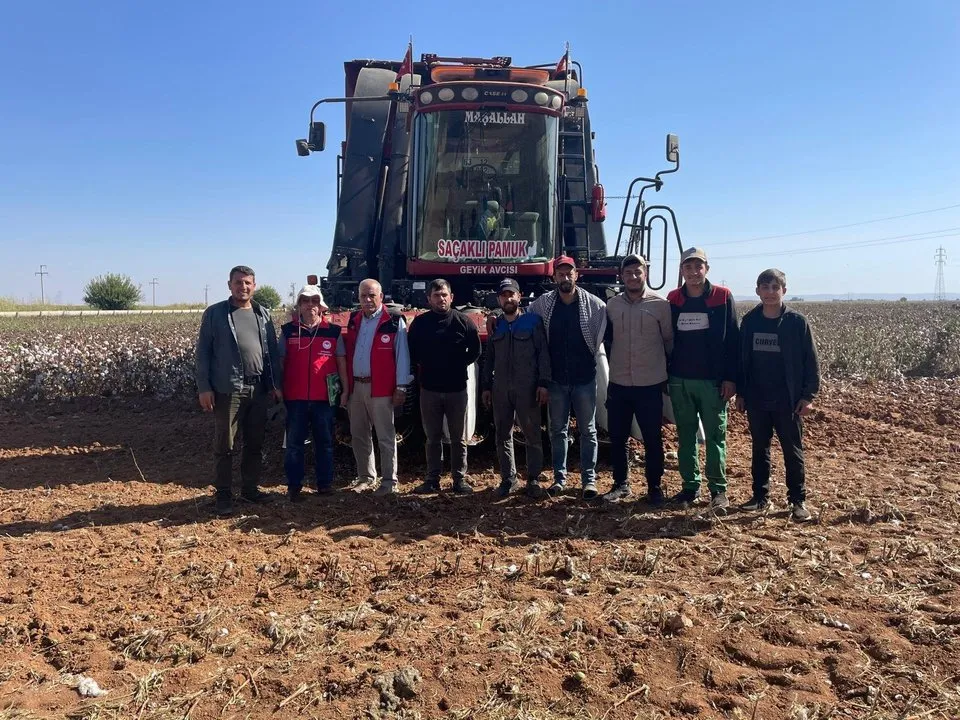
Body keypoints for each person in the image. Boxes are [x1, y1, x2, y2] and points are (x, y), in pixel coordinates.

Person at [194, 265, 281, 517]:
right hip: (228, 388)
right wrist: (204, 388)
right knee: (225, 445)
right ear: (229, 285)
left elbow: (271, 354)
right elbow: (203, 354)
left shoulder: (262, 314)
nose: (243, 287)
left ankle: (250, 490)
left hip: (258, 388)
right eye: (238, 282)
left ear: (254, 286)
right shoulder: (216, 314)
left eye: (248, 283)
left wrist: (275, 385)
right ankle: (223, 495)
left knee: (255, 442)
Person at [735, 269, 820, 522]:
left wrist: (808, 396)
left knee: (792, 451)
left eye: (775, 287)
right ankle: (759, 497)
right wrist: (741, 393)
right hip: (758, 399)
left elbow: (811, 362)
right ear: (757, 291)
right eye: (765, 287)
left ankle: (797, 500)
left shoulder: (797, 322)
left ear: (784, 290)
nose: (770, 292)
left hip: (789, 401)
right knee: (759, 449)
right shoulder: (750, 322)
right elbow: (742, 361)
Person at [666, 247, 739, 512]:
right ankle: (689, 486)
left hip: (712, 382)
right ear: (682, 270)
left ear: (706, 268)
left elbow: (733, 339)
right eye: (688, 267)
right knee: (685, 436)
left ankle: (718, 490)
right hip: (680, 380)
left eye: (699, 266)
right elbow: (668, 338)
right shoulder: (673, 298)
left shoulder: (722, 296)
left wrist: (731, 378)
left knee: (715, 437)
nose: (694, 272)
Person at [529, 256, 607, 499]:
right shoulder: (542, 305)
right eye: (560, 274)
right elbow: (524, 317)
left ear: (577, 275)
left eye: (569, 273)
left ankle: (589, 480)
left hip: (584, 378)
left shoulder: (595, 306)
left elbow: (603, 335)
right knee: (557, 430)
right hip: (557, 381)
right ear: (554, 277)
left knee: (588, 430)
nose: (565, 278)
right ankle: (559, 479)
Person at [602, 254, 673, 504]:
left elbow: (668, 342)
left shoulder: (660, 305)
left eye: (637, 272)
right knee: (618, 437)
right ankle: (621, 484)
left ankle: (654, 487)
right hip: (619, 382)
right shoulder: (612, 306)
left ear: (646, 274)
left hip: (649, 384)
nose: (633, 277)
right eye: (628, 273)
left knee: (652, 438)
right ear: (621, 276)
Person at [407, 279, 482, 494]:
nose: (441, 299)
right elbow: (413, 352)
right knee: (432, 438)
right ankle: (432, 479)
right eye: (436, 295)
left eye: (444, 295)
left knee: (458, 438)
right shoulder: (420, 324)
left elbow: (475, 351)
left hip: (457, 389)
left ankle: (459, 479)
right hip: (429, 389)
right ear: (429, 298)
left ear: (452, 297)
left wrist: (459, 365)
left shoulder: (463, 322)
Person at [276, 285, 348, 502]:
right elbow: (280, 363)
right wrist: (278, 389)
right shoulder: (288, 331)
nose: (310, 306)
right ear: (299, 306)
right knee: (295, 445)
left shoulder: (333, 332)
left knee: (324, 443)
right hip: (295, 398)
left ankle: (324, 484)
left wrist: (345, 390)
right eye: (305, 301)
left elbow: (341, 363)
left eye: (314, 301)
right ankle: (294, 486)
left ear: (321, 306)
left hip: (324, 399)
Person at [481, 278, 551, 498]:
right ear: (499, 299)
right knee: (502, 434)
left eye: (512, 294)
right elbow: (488, 358)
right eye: (504, 295)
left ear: (519, 297)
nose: (508, 298)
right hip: (501, 388)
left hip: (527, 387)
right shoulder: (496, 324)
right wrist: (486, 387)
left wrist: (543, 383)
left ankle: (533, 480)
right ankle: (508, 479)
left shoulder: (533, 322)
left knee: (532, 434)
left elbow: (543, 355)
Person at [343, 279, 412, 496]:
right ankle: (365, 477)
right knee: (359, 434)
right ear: (358, 297)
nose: (367, 300)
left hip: (381, 388)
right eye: (363, 295)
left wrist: (401, 386)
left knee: (385, 436)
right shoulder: (354, 320)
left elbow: (402, 356)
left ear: (381, 297)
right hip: (357, 387)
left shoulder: (393, 321)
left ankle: (389, 481)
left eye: (372, 295)